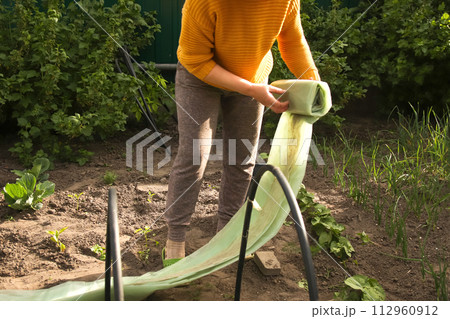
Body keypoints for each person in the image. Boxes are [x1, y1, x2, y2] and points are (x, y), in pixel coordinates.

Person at [163, 0, 320, 263]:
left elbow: (292, 40)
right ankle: (175, 238)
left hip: (253, 77)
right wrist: (249, 89)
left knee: (242, 159)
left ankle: (228, 236)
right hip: (200, 78)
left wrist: (314, 82)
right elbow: (196, 59)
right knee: (194, 157)